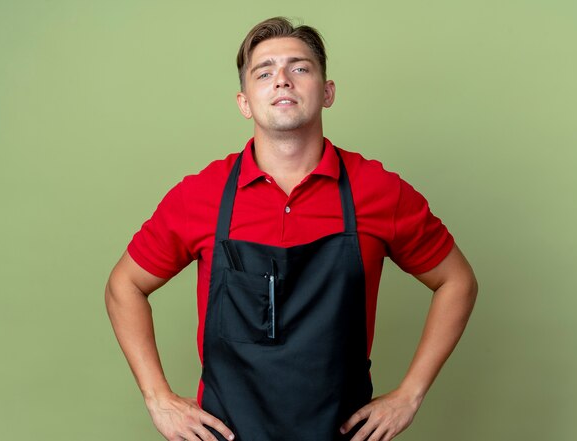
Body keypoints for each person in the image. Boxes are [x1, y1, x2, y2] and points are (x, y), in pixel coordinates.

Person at [105, 16, 478, 441]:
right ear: (245, 101)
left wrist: (409, 395)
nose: (282, 80)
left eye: (299, 68)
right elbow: (124, 286)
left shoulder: (378, 191)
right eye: (264, 72)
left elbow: (457, 281)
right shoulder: (200, 195)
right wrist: (158, 398)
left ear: (327, 91)